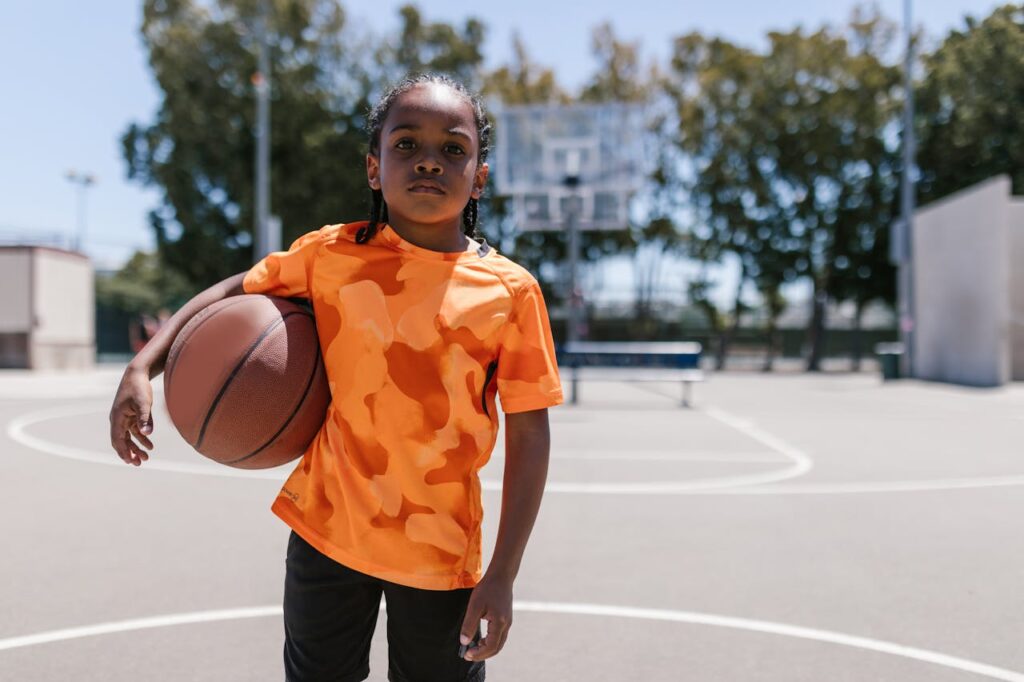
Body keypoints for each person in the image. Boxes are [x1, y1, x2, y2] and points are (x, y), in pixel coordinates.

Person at [108, 73, 563, 682]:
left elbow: (531, 435)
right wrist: (143, 366)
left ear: (479, 175)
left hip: (439, 548)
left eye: (453, 148)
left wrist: (503, 574)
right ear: (374, 168)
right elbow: (230, 291)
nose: (429, 161)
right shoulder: (330, 256)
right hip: (327, 530)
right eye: (406, 144)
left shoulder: (511, 291)